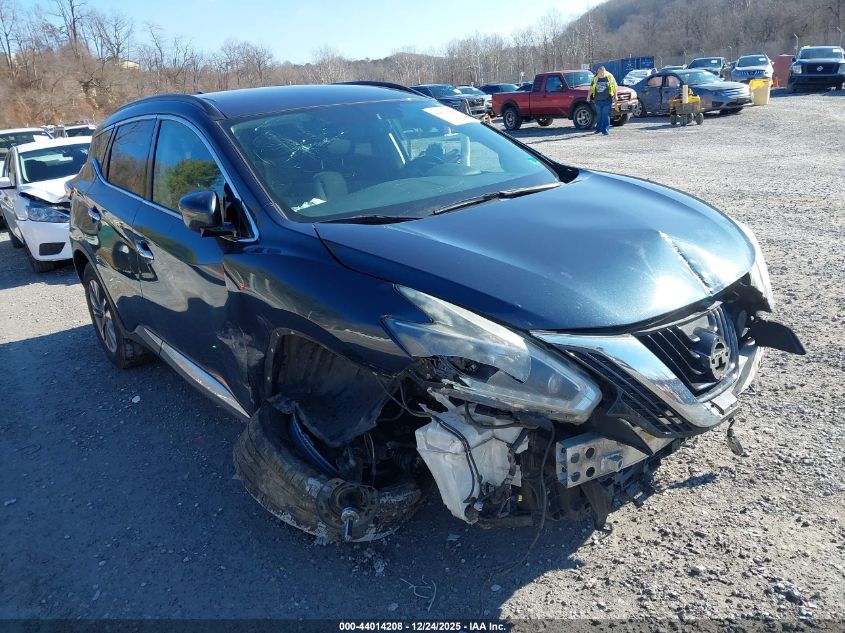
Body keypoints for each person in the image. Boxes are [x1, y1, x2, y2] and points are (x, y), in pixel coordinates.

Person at [589, 66, 617, 135]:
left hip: (607, 100)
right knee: (599, 115)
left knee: (605, 114)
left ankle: (605, 130)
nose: (602, 74)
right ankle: (598, 129)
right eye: (601, 72)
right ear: (598, 72)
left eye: (603, 72)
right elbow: (591, 89)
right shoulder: (595, 79)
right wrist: (588, 96)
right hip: (597, 100)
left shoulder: (609, 78)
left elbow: (614, 87)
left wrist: (615, 95)